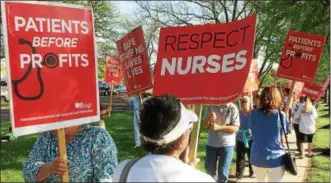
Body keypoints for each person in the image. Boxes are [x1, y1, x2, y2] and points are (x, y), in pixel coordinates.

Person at [112, 95, 215, 182]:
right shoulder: (201, 179)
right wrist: (190, 173)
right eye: (189, 129)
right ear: (182, 138)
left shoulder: (122, 170)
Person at [23, 124, 117, 182]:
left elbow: (106, 177)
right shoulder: (46, 137)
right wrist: (50, 167)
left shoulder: (98, 136)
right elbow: (28, 173)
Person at [249, 86, 289, 182]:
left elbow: (253, 131)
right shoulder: (281, 115)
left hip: (257, 158)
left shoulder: (253, 114)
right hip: (276, 159)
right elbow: (281, 139)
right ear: (277, 97)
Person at [203, 102, 240, 182]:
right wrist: (209, 119)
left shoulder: (232, 107)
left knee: (223, 172)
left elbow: (235, 128)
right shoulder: (211, 106)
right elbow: (205, 125)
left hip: (227, 145)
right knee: (209, 171)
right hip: (211, 144)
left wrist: (219, 128)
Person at [235, 96, 254, 182]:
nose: (244, 104)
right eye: (243, 102)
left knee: (252, 157)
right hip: (240, 138)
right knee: (240, 158)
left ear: (249, 103)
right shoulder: (238, 113)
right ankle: (239, 175)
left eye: (246, 102)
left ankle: (252, 172)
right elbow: (235, 124)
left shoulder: (253, 113)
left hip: (251, 139)